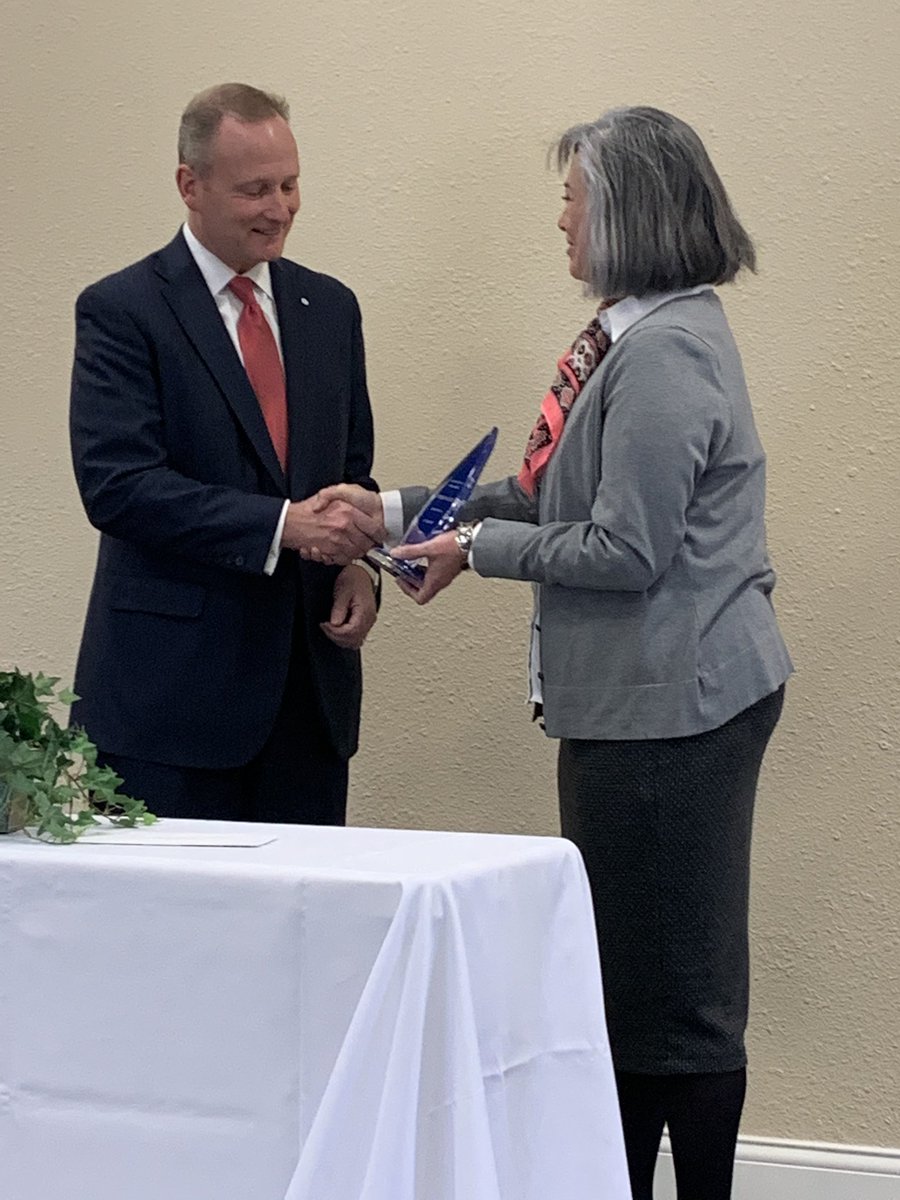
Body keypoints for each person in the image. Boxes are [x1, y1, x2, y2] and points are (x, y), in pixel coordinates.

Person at [315, 107, 793, 1199]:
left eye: (574, 197)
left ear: (625, 213)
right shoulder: (628, 337)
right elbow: (545, 491)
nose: (561, 220)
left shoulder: (665, 354)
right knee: (632, 986)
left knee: (672, 994)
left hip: (679, 712)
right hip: (641, 704)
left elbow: (624, 548)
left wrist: (476, 550)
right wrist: (398, 512)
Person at [69, 82, 387, 826]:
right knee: (166, 942)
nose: (280, 208)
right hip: (169, 712)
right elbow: (118, 487)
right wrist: (284, 526)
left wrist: (356, 565)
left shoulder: (330, 308)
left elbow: (350, 474)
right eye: (255, 190)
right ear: (190, 186)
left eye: (290, 184)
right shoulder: (123, 311)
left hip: (307, 708)